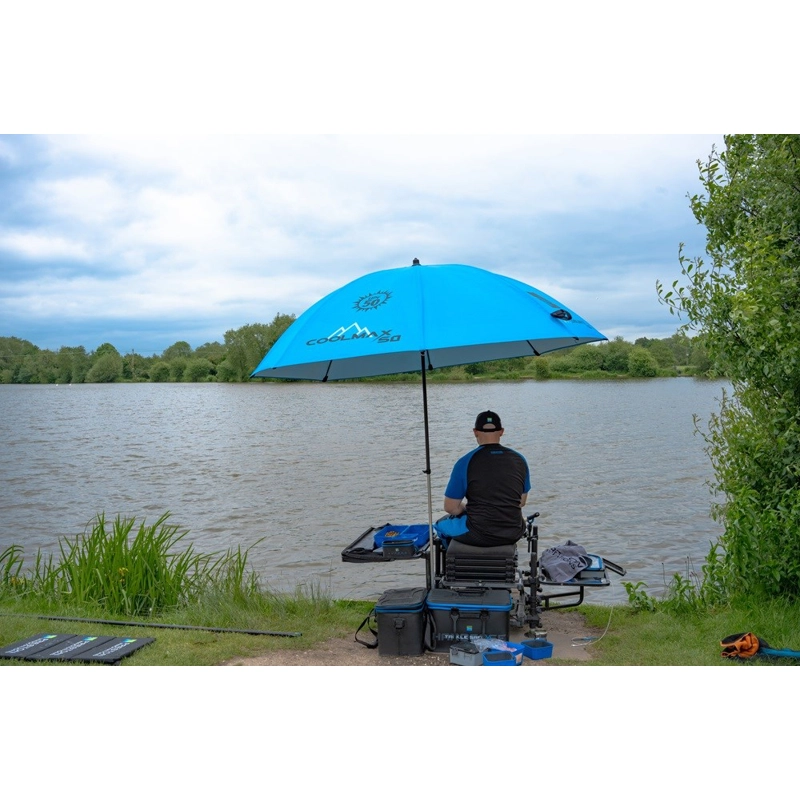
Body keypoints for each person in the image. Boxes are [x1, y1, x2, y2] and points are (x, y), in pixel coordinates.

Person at [436, 410, 531, 547]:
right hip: (514, 531)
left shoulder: (465, 462)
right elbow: (521, 502)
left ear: (475, 432)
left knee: (439, 525)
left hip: (479, 532)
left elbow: (450, 507)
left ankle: (452, 559)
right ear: (501, 431)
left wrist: (467, 508)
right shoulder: (520, 460)